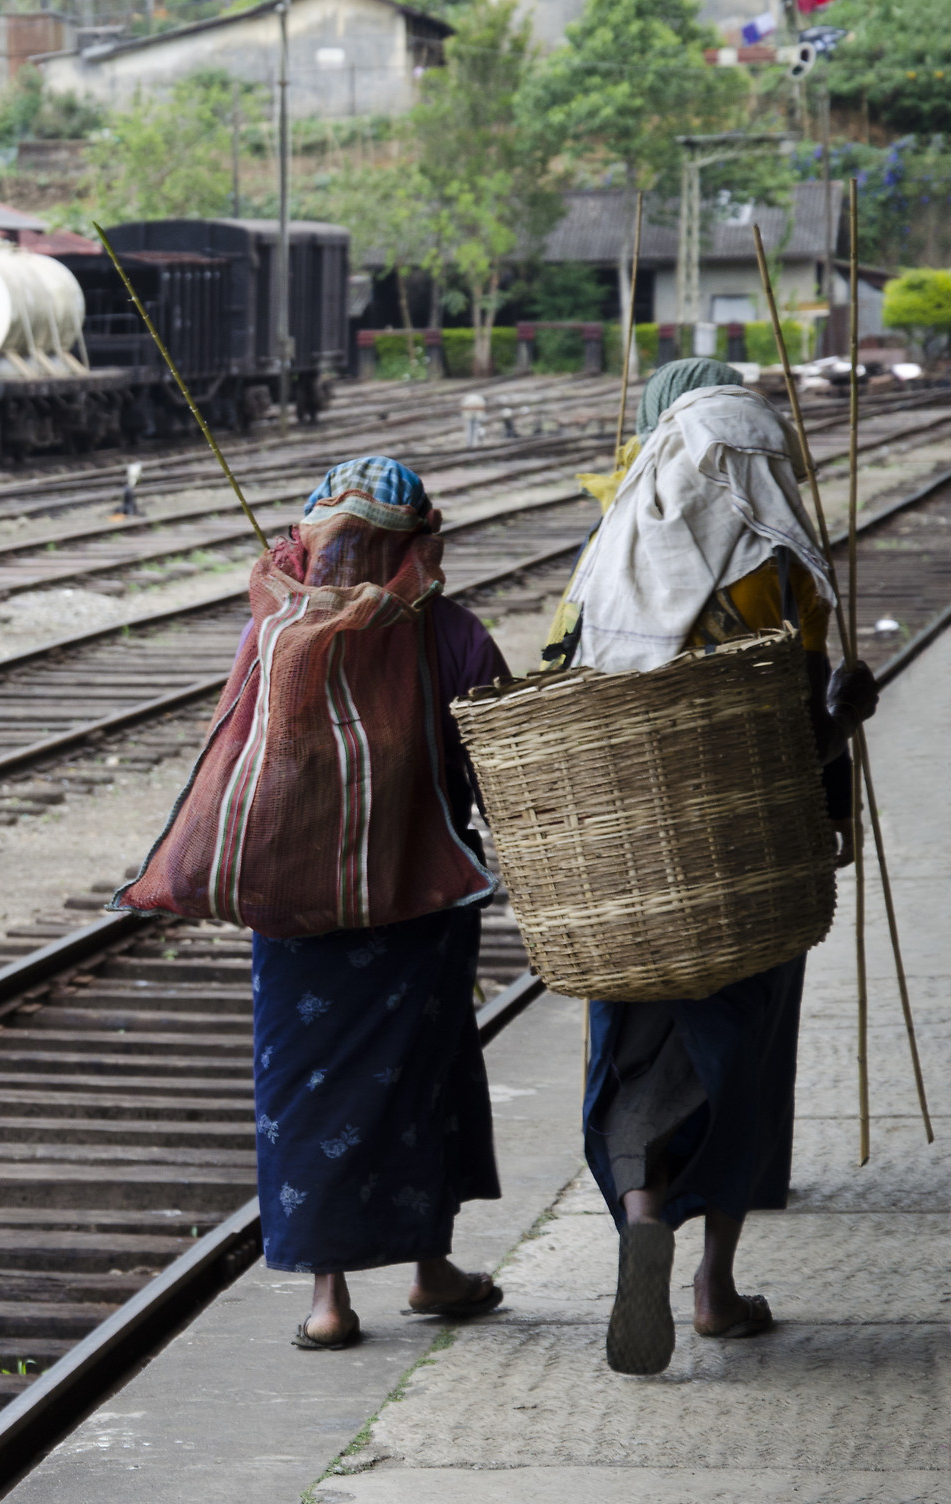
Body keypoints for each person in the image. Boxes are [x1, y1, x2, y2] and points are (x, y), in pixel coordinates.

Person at [112, 457, 511, 1349]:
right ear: (419, 543)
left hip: (294, 912)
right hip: (419, 902)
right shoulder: (452, 634)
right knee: (423, 1082)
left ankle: (329, 1302)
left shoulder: (273, 632)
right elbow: (498, 769)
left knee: (306, 1092)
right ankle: (431, 1270)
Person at [547, 358, 878, 1375]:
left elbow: (558, 696)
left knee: (638, 1053)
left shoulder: (605, 566)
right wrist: (851, 714)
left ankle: (643, 1216)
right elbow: (800, 740)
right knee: (743, 1065)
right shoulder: (783, 572)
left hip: (629, 877)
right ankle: (714, 1288)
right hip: (750, 868)